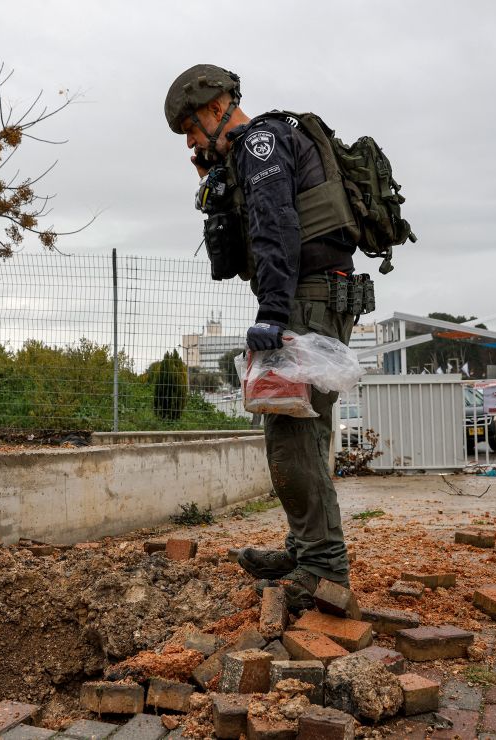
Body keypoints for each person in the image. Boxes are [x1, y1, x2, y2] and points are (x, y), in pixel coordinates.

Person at [165, 64, 363, 610]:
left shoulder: (260, 145)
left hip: (306, 298)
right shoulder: (256, 149)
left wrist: (274, 311)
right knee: (301, 430)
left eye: (191, 130)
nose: (191, 141)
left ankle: (324, 568)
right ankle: (306, 550)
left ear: (213, 109)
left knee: (291, 432)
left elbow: (276, 224)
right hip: (315, 294)